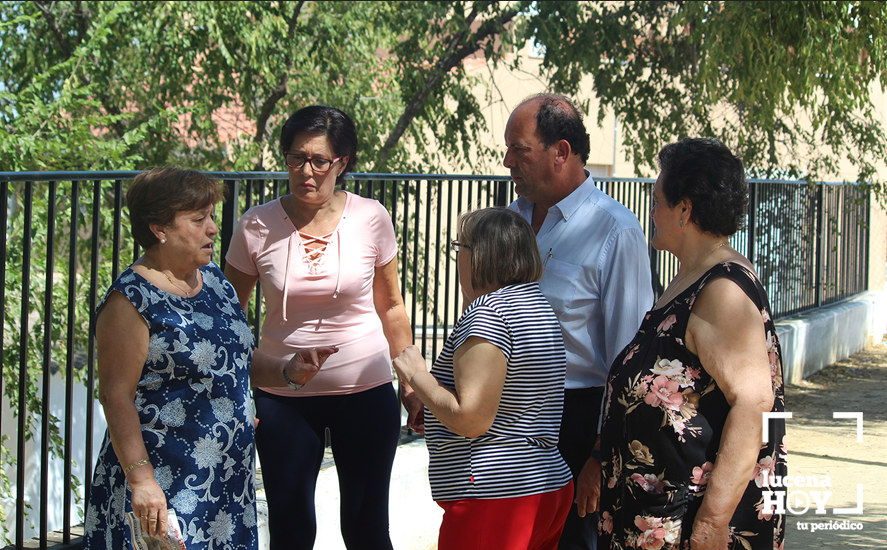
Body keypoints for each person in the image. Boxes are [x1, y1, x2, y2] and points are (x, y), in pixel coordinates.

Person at [83, 167, 336, 550]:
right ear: (159, 228)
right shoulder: (130, 301)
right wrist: (142, 480)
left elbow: (234, 359)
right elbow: (115, 396)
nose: (214, 229)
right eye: (199, 219)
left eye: (212, 217)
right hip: (166, 486)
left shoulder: (214, 280)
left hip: (225, 482)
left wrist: (287, 370)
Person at [224, 105, 414, 550]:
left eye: (318, 160)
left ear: (342, 163)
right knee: (290, 534)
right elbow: (228, 322)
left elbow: (392, 309)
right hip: (283, 401)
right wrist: (236, 391)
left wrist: (410, 383)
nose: (304, 170)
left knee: (367, 531)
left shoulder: (371, 218)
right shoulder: (256, 225)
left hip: (365, 394)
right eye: (295, 158)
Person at [597, 137, 787, 549]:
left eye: (657, 201)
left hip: (689, 527)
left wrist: (712, 523)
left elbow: (753, 403)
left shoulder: (722, 290)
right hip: (651, 516)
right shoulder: (691, 278)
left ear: (684, 209)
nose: (651, 213)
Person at [504, 93, 654, 550]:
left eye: (520, 150)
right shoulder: (511, 220)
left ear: (561, 152)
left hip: (577, 424)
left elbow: (630, 361)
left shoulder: (616, 230)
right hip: (510, 421)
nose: (507, 160)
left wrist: (598, 455)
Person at [392, 207, 574, 550]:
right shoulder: (536, 303)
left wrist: (417, 374)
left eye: (459, 246)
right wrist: (432, 408)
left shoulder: (489, 313)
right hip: (545, 484)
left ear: (478, 255)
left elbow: (471, 417)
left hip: (495, 493)